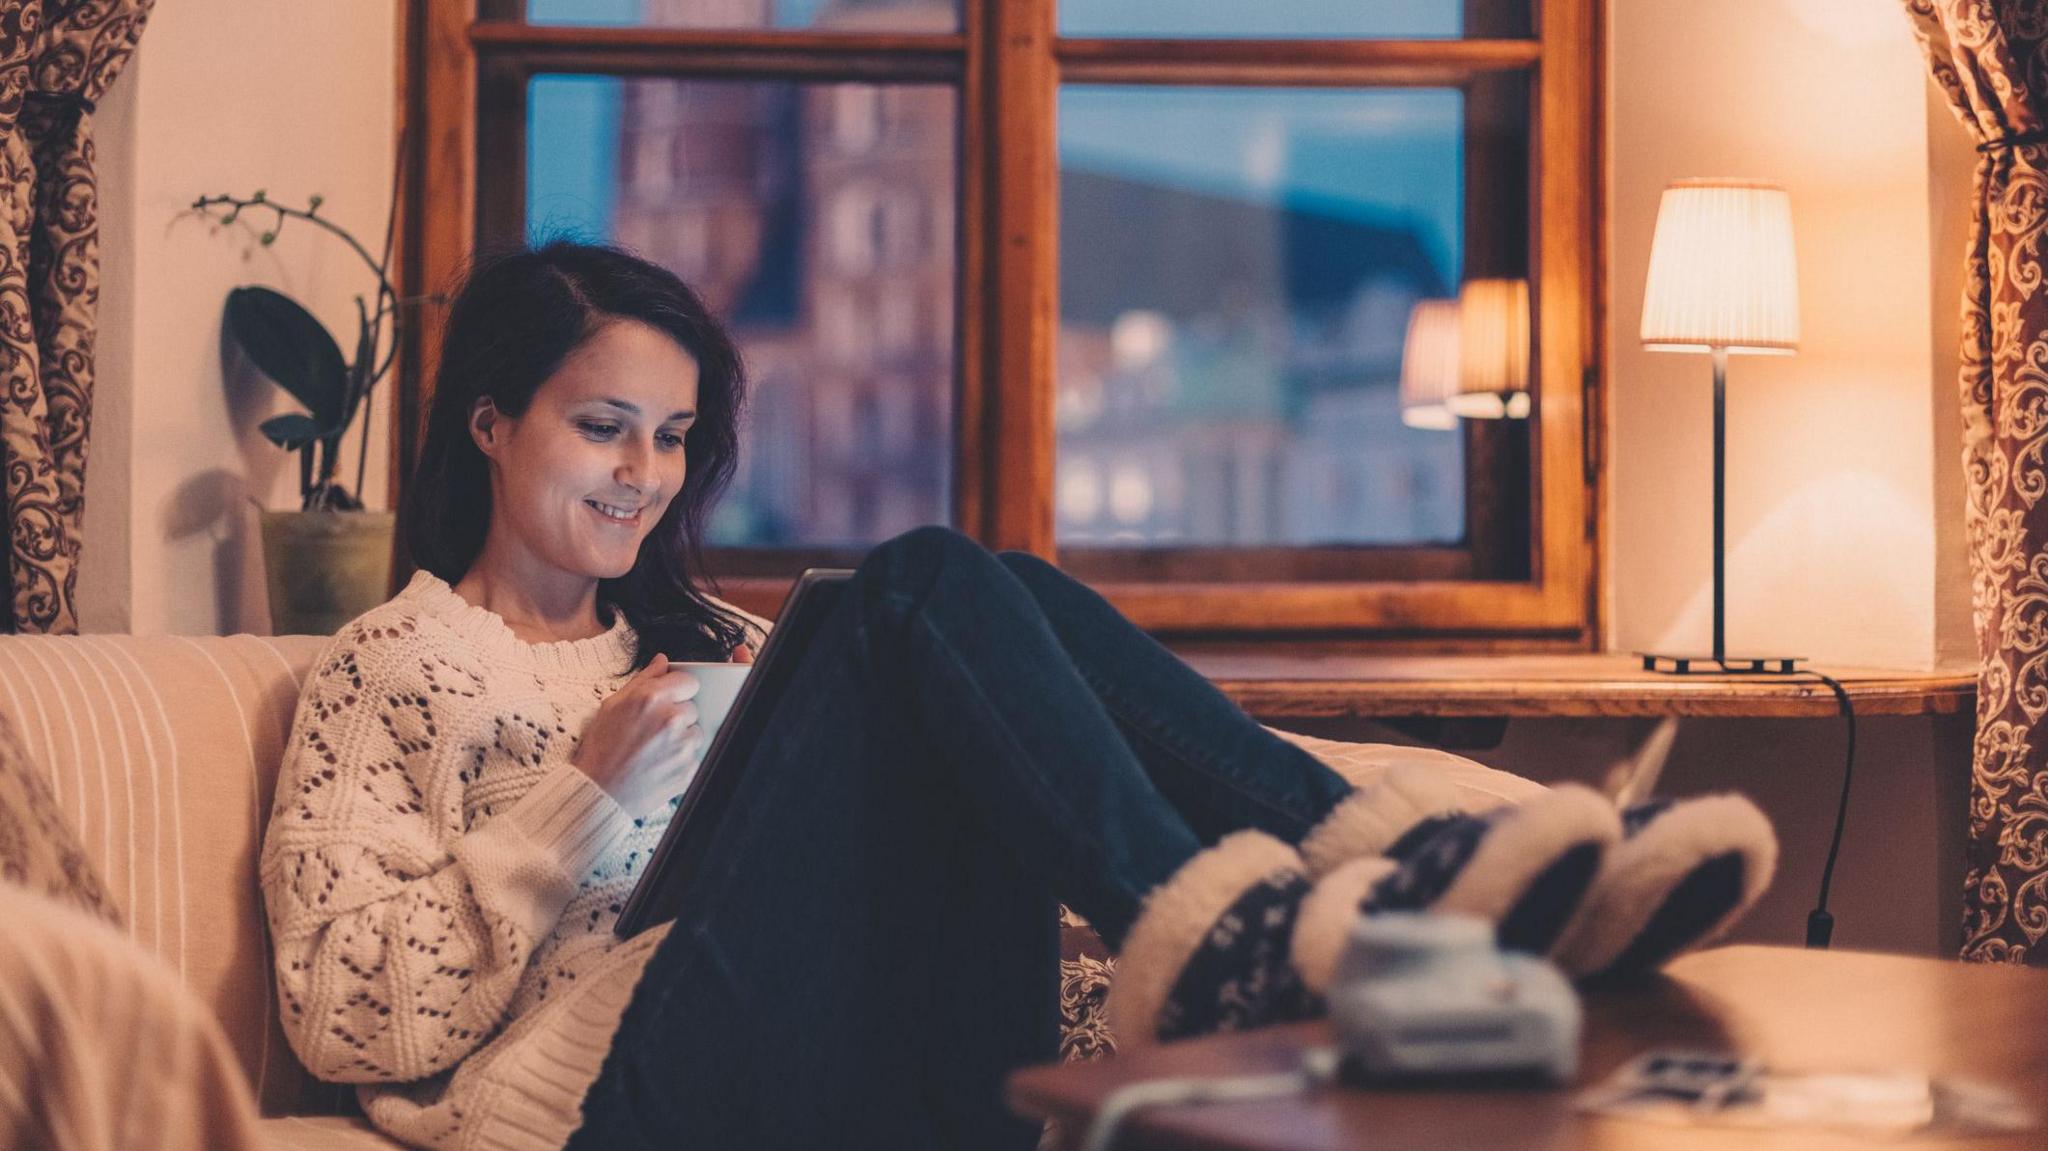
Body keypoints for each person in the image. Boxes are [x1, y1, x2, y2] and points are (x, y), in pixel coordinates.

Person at [259, 242, 1778, 1151]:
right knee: (918, 585)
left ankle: (1409, 874)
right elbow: (344, 1026)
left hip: (851, 1051)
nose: (644, 474)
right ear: (488, 424)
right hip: (595, 1108)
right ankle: (1311, 904)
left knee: (994, 596)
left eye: (670, 438)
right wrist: (577, 798)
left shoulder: (709, 639)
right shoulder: (388, 669)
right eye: (604, 429)